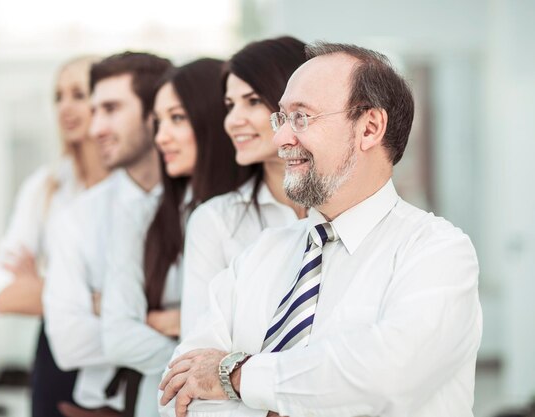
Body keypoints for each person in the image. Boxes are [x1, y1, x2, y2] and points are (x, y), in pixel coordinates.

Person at [159, 42, 482, 417]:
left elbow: (382, 379)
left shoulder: (438, 252)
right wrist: (301, 397)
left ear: (369, 128)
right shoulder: (260, 254)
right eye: (281, 118)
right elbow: (178, 392)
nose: (281, 138)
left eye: (301, 117)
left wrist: (235, 375)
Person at [101, 58, 251, 417]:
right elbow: (118, 337)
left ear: (213, 119)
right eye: (158, 122)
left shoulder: (255, 217)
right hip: (166, 405)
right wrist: (199, 360)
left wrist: (177, 323)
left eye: (177, 118)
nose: (161, 136)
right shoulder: (141, 218)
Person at [42, 52, 172, 417]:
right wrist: (170, 324)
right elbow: (69, 343)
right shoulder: (77, 218)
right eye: (94, 110)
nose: (95, 127)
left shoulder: (204, 206)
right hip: (104, 409)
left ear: (155, 114)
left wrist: (118, 313)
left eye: (111, 109)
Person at [0, 56, 107, 417]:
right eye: (58, 96)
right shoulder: (44, 187)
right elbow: (5, 293)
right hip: (56, 355)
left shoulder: (139, 190)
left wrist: (43, 285)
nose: (65, 106)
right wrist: (100, 299)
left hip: (124, 357)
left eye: (78, 94)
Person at [181, 37, 308, 337]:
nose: (232, 120)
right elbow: (198, 347)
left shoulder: (348, 210)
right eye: (229, 105)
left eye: (252, 101)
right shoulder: (216, 220)